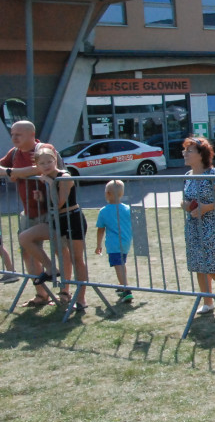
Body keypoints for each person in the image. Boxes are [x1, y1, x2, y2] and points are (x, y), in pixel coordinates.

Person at [10, 145, 90, 310]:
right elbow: (53, 205)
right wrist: (41, 198)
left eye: (49, 161)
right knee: (24, 237)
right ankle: (52, 268)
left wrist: (49, 184)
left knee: (77, 259)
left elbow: (60, 203)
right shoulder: (49, 178)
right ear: (37, 166)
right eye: (42, 163)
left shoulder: (64, 177)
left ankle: (81, 299)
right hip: (57, 220)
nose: (46, 166)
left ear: (56, 161)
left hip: (72, 219)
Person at [180, 136, 215, 314]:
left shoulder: (214, 174)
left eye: (189, 150)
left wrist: (206, 207)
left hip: (212, 223)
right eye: (185, 150)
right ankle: (208, 302)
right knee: (198, 263)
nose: (185, 153)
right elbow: (185, 199)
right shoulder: (188, 176)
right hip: (193, 224)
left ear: (201, 154)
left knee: (211, 263)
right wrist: (186, 205)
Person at [0, 120, 53, 302]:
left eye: (18, 134)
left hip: (52, 211)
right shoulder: (14, 153)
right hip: (29, 213)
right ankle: (42, 293)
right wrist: (11, 172)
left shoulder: (44, 149)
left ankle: (66, 293)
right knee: (27, 252)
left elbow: (41, 168)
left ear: (31, 135)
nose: (13, 138)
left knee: (63, 251)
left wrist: (14, 172)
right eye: (12, 134)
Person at [95, 179, 133, 304]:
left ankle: (126, 290)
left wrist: (98, 245)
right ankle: (122, 285)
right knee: (122, 264)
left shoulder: (104, 211)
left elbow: (101, 229)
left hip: (113, 244)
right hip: (126, 242)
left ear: (108, 194)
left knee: (118, 266)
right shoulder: (127, 209)